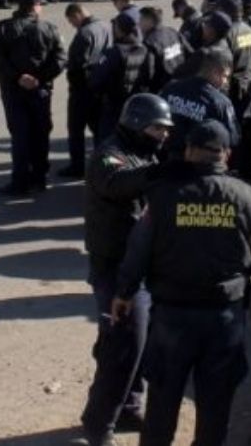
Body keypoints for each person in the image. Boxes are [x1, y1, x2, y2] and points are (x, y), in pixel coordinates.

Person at [111, 120, 251, 446]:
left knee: (162, 401)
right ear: (226, 154)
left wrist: (124, 293)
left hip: (173, 317)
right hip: (224, 319)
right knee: (215, 405)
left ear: (188, 151)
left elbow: (139, 248)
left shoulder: (162, 195)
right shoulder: (249, 198)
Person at [77, 94, 173, 446]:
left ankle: (129, 406)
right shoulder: (110, 154)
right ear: (136, 124)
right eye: (157, 128)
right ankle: (98, 423)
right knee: (122, 346)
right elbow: (118, 183)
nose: (163, 135)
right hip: (115, 269)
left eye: (166, 129)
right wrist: (162, 172)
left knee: (140, 344)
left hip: (141, 264)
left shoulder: (146, 153)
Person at [0, 0, 67, 196]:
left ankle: (20, 181)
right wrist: (39, 78)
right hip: (40, 90)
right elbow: (60, 58)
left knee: (20, 135)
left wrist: (18, 78)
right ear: (35, 6)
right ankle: (39, 178)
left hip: (14, 91)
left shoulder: (1, 28)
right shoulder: (49, 28)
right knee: (40, 133)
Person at [62, 3, 114, 179]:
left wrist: (67, 65)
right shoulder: (107, 26)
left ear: (77, 14)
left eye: (71, 21)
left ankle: (77, 167)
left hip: (82, 89)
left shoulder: (84, 34)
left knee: (76, 129)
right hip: (101, 86)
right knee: (100, 130)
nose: (72, 25)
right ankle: (106, 164)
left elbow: (77, 64)